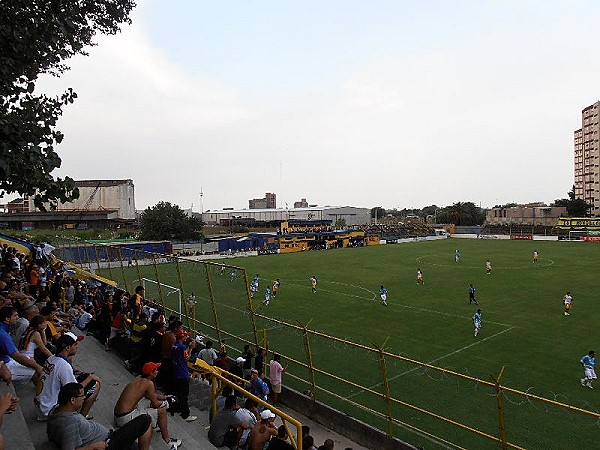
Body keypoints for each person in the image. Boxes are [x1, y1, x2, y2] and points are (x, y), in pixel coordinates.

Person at [48, 382, 152, 450]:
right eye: (82, 396)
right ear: (72, 400)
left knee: (135, 447)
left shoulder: (55, 410)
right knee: (145, 420)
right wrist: (92, 447)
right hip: (107, 444)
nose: (84, 398)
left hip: (107, 437)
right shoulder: (70, 423)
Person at [113, 361, 182, 449]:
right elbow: (156, 404)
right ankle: (168, 441)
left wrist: (165, 397)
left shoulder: (138, 379)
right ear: (151, 373)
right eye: (156, 370)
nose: (157, 372)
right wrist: (167, 402)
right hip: (124, 418)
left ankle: (157, 423)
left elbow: (150, 396)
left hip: (118, 415)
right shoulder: (149, 384)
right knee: (162, 411)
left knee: (148, 402)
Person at [35, 332, 100, 421]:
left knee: (85, 377)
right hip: (49, 410)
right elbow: (75, 390)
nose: (77, 347)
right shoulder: (63, 365)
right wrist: (90, 378)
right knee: (95, 384)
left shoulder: (51, 358)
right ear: (68, 347)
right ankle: (81, 419)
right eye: (75, 344)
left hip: (42, 405)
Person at [0, 306, 43, 384]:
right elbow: (16, 356)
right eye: (15, 315)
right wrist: (38, 367)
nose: (17, 317)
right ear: (7, 319)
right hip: (4, 363)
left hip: (6, 358)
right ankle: (42, 396)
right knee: (35, 372)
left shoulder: (3, 328)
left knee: (30, 360)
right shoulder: (3, 335)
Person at [171, 329, 197, 422]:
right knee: (184, 395)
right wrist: (191, 348)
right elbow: (187, 359)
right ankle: (185, 414)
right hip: (182, 374)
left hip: (176, 372)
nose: (187, 337)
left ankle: (176, 408)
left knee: (177, 393)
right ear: (182, 337)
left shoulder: (175, 345)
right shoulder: (182, 347)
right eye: (185, 336)